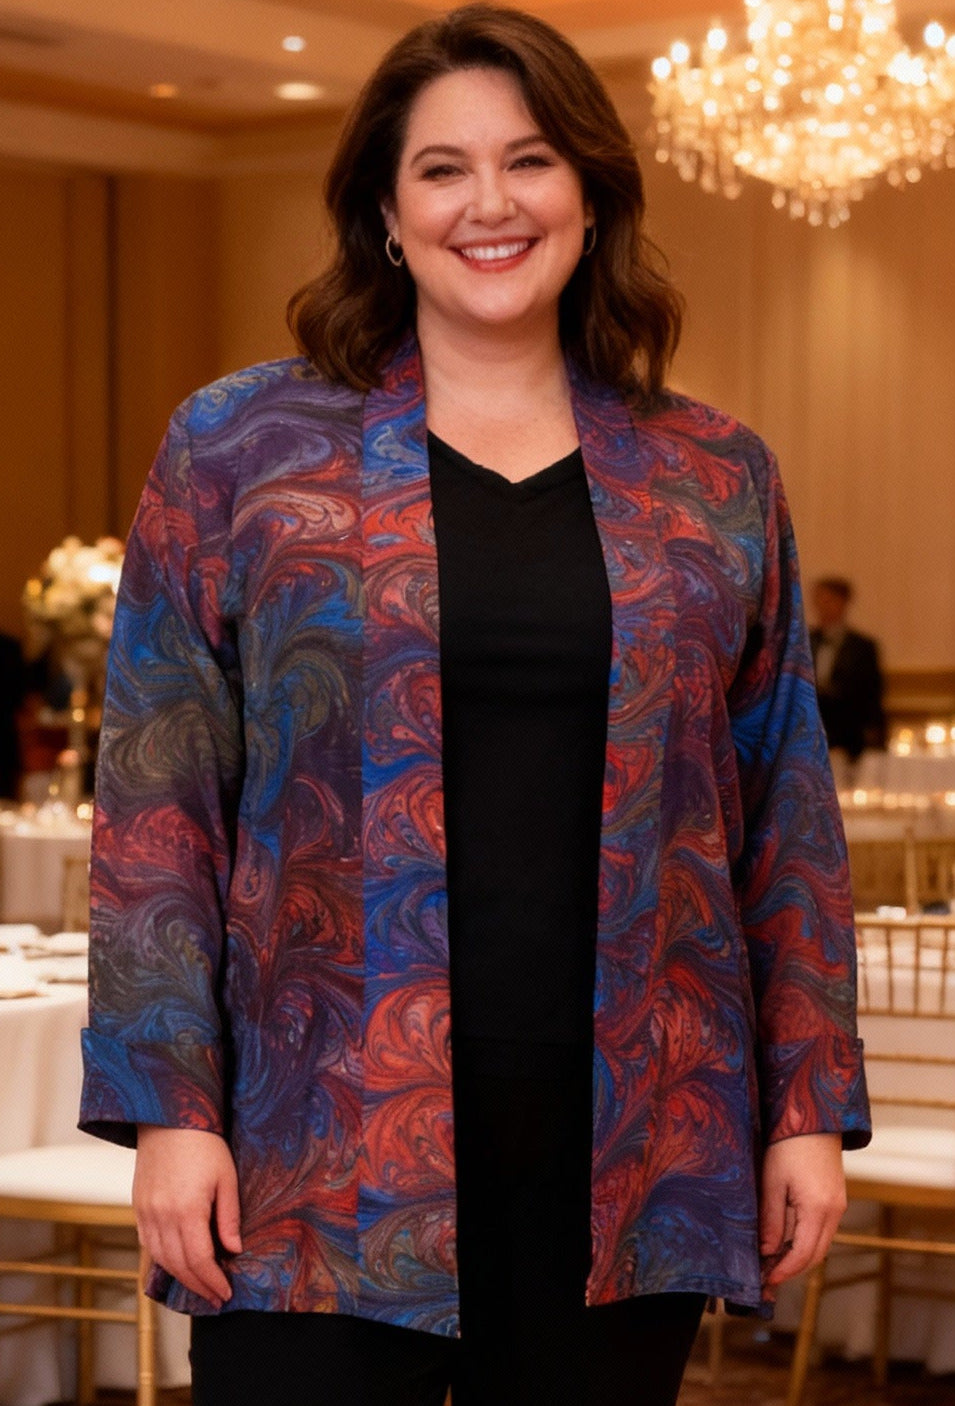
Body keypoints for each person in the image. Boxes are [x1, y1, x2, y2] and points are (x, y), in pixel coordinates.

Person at [79, 7, 871, 1404]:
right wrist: (166, 1110)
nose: (489, 204)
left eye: (529, 161)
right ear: (384, 208)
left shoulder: (710, 477)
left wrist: (803, 1107)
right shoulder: (242, 450)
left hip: (632, 1141)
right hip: (312, 1135)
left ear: (589, 194)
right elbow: (158, 804)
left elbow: (782, 811)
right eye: (441, 169)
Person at [810, 576, 886, 761]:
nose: (822, 605)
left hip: (850, 736)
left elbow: (872, 693)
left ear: (843, 602)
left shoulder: (863, 646)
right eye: (818, 600)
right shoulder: (805, 642)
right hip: (813, 734)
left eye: (828, 600)